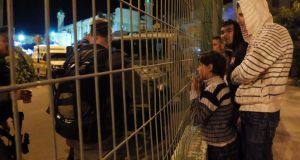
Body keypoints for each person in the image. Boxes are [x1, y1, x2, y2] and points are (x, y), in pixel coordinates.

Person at [231, 1, 294, 160]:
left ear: (255, 11)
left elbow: (246, 71)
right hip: (257, 112)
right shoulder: (259, 36)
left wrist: (233, 74)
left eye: (242, 13)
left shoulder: (273, 32)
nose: (239, 20)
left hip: (260, 112)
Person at [190, 51, 239, 160]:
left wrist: (194, 92)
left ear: (210, 67)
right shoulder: (219, 85)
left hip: (220, 149)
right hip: (224, 144)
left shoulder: (213, 89)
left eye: (201, 65)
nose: (198, 69)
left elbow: (196, 119)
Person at [0, 26, 34, 159]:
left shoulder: (4, 64)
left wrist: (16, 94)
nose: (10, 44)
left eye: (11, 40)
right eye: (5, 40)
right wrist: (11, 95)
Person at [221, 19, 248, 126]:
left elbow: (244, 81)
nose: (224, 35)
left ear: (237, 32)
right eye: (222, 32)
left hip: (241, 109)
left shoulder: (243, 49)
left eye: (229, 31)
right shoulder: (236, 50)